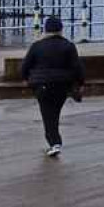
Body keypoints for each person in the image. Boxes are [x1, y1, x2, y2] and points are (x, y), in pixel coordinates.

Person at [21, 16, 84, 157]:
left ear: (45, 30)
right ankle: (55, 141)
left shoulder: (37, 46)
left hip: (42, 86)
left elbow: (24, 67)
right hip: (62, 86)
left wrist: (27, 80)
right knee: (54, 113)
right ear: (61, 30)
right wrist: (80, 83)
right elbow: (77, 68)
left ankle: (54, 142)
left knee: (47, 114)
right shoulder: (68, 46)